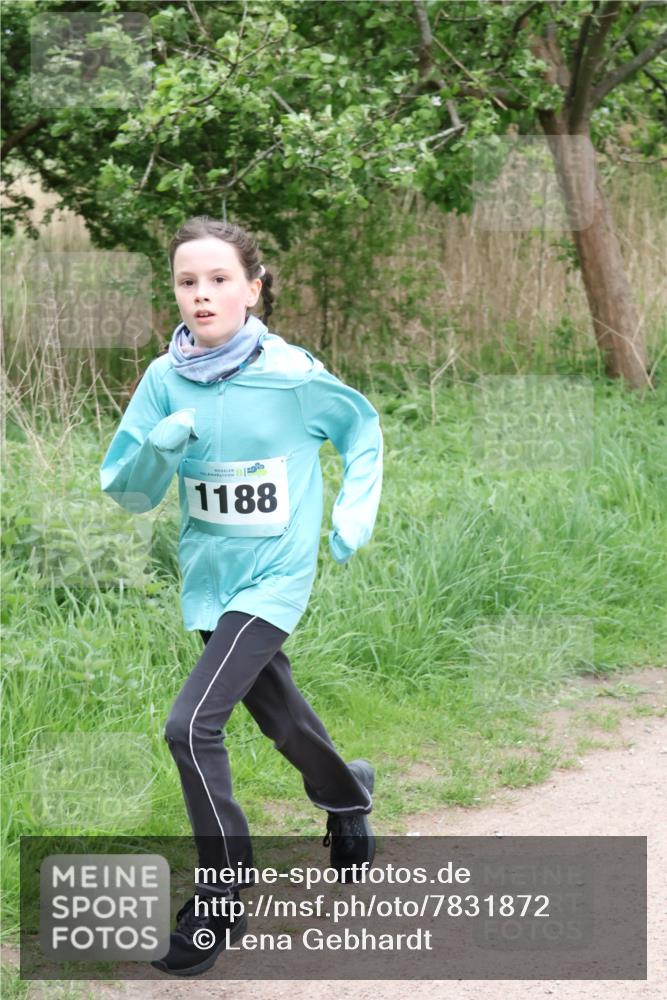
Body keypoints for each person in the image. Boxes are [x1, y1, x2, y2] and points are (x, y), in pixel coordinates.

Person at [99, 216, 383, 977]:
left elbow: (360, 430)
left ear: (253, 288)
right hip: (210, 579)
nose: (202, 295)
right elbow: (126, 490)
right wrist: (158, 448)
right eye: (188, 281)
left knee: (189, 727)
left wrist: (354, 509)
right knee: (278, 712)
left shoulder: (290, 376)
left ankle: (219, 899)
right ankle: (348, 796)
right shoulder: (164, 379)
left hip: (274, 577)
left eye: (220, 279)